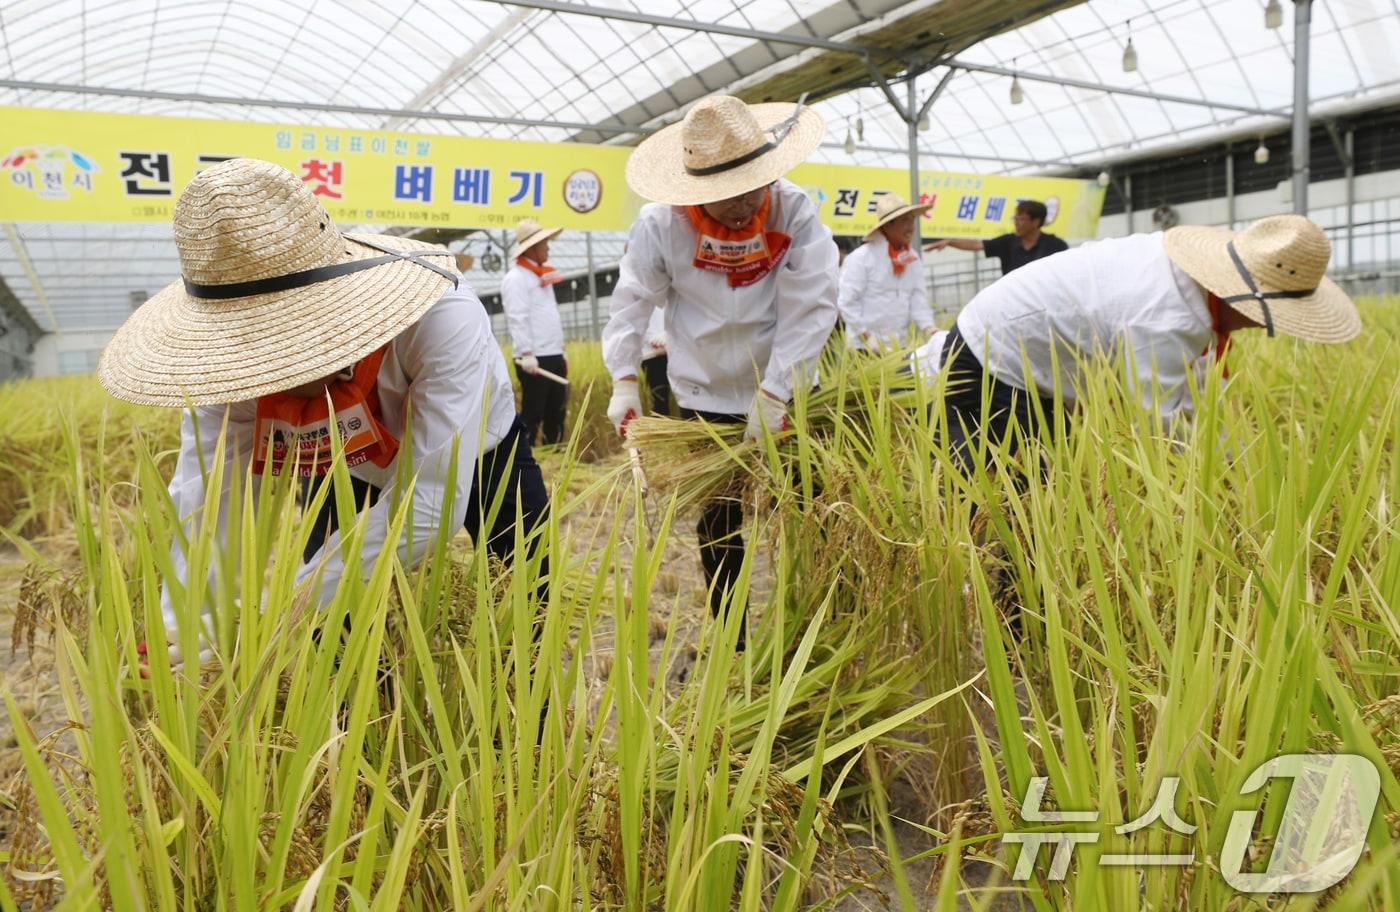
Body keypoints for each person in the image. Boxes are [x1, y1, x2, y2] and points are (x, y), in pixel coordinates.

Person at [97, 158, 550, 667]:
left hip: (481, 449)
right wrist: (182, 622)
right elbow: (206, 494)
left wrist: (280, 609)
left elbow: (431, 502)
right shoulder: (224, 364)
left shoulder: (442, 317)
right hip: (344, 453)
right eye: (254, 351)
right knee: (330, 630)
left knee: (529, 586)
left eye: (289, 347)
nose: (275, 374)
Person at [601, 94, 839, 646]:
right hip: (703, 390)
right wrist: (623, 379)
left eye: (750, 187)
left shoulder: (794, 210)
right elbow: (632, 300)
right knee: (719, 519)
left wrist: (777, 393)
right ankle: (732, 635)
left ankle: (820, 624)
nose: (738, 205)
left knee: (813, 505)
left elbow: (813, 305)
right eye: (721, 194)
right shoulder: (660, 225)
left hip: (785, 387)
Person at [929, 214, 1360, 475]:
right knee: (1008, 493)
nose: (1269, 329)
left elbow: (1200, 398)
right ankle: (994, 606)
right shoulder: (1166, 318)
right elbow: (1159, 422)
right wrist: (1228, 476)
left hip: (1031, 351)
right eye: (1273, 319)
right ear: (1247, 304)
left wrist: (1237, 457)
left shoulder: (1189, 286)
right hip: (991, 357)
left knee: (1051, 475)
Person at [838, 193, 936, 351]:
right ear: (888, 225)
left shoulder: (912, 259)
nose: (911, 227)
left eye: (912, 220)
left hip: (899, 347)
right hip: (863, 349)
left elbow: (918, 300)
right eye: (905, 221)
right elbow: (846, 302)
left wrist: (930, 329)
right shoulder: (861, 258)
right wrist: (867, 336)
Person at [501, 218, 569, 445]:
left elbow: (549, 317)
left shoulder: (542, 276)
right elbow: (517, 317)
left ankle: (557, 455)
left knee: (556, 410)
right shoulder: (516, 278)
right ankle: (527, 460)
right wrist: (526, 353)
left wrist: (562, 351)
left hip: (552, 353)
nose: (548, 246)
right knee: (533, 412)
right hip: (534, 358)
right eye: (544, 242)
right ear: (532, 247)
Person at [926, 199, 1068, 276]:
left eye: (1021, 219)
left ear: (1036, 222)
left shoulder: (1056, 245)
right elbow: (977, 245)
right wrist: (950, 242)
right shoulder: (1008, 242)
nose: (1016, 223)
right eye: (1015, 218)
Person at [639, 304, 673, 415]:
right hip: (651, 355)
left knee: (688, 396)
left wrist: (670, 335)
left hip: (675, 351)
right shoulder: (636, 291)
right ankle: (664, 429)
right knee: (660, 398)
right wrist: (653, 338)